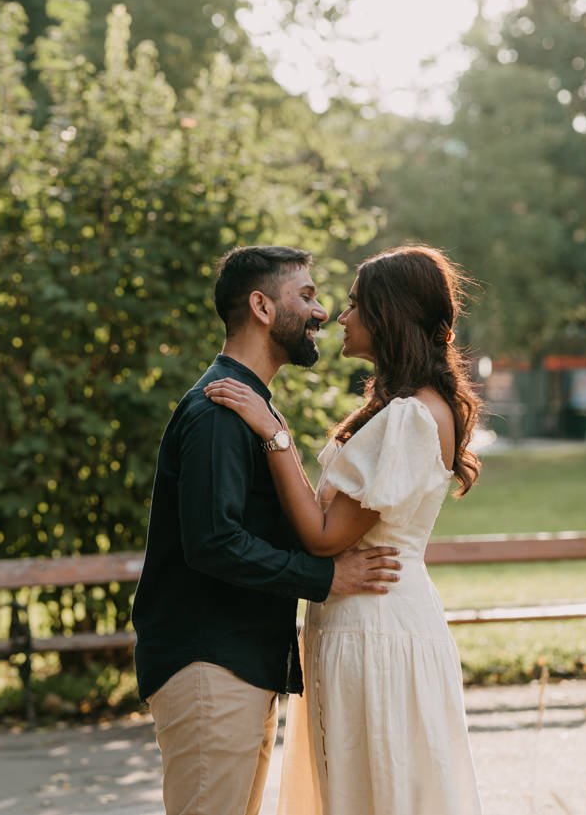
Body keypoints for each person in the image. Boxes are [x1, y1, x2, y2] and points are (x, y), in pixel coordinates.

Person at [204, 244, 484, 815]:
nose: (339, 315)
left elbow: (326, 537)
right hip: (360, 621)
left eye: (356, 303)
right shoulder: (402, 408)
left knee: (378, 788)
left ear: (389, 315)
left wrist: (273, 432)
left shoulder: (410, 417)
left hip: (375, 624)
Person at [132, 244, 402, 815]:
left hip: (237, 665)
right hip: (209, 666)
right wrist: (326, 576)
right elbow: (214, 544)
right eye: (305, 295)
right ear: (260, 306)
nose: (322, 311)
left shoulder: (246, 405)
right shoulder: (218, 412)